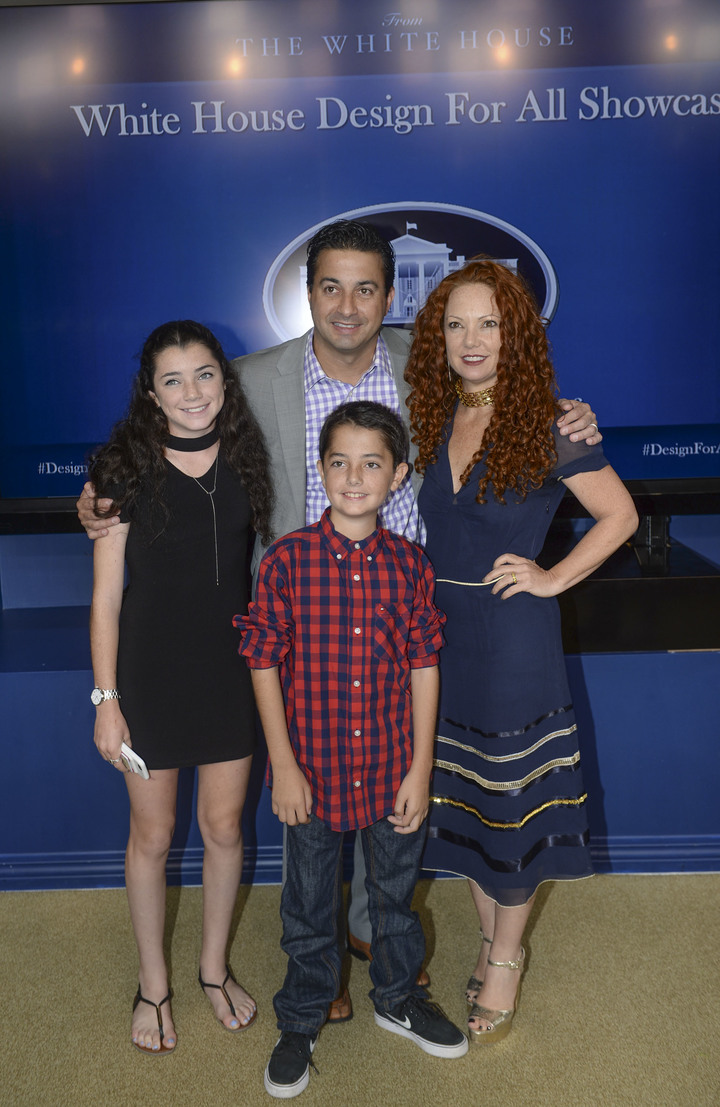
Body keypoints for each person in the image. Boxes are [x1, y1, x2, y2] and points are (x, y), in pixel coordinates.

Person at [77, 220, 600, 1020]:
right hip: (303, 619)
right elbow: (171, 427)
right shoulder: (248, 378)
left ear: (390, 298)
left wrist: (571, 417)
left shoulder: (423, 366)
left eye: (366, 289)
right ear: (307, 293)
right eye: (330, 287)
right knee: (309, 795)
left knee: (400, 786)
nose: (348, 306)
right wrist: (98, 493)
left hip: (405, 612)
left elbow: (503, 402)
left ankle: (375, 936)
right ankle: (315, 954)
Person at [405, 260, 638, 1044]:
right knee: (465, 809)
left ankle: (505, 957)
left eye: (490, 324)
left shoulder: (549, 422)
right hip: (439, 642)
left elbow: (621, 517)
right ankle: (495, 941)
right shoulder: (430, 415)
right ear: (437, 337)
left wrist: (551, 576)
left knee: (513, 809)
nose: (472, 340)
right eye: (456, 324)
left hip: (510, 642)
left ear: (517, 335)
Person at [237, 401, 468, 1099]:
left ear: (398, 476)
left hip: (393, 766)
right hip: (310, 769)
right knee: (308, 902)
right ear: (320, 468)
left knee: (392, 898)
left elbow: (425, 665)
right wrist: (282, 763)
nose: (354, 475)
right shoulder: (286, 561)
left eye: (372, 463)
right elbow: (263, 662)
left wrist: (420, 767)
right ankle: (302, 1016)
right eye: (340, 461)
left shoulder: (410, 567)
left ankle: (398, 996)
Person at [89, 320, 273, 1054]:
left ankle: (210, 967)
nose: (191, 392)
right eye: (173, 379)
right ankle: (153, 982)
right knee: (154, 834)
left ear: (223, 382)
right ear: (151, 392)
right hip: (150, 675)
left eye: (204, 374)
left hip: (232, 671)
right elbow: (106, 600)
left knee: (226, 828)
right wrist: (107, 701)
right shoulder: (119, 469)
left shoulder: (250, 456)